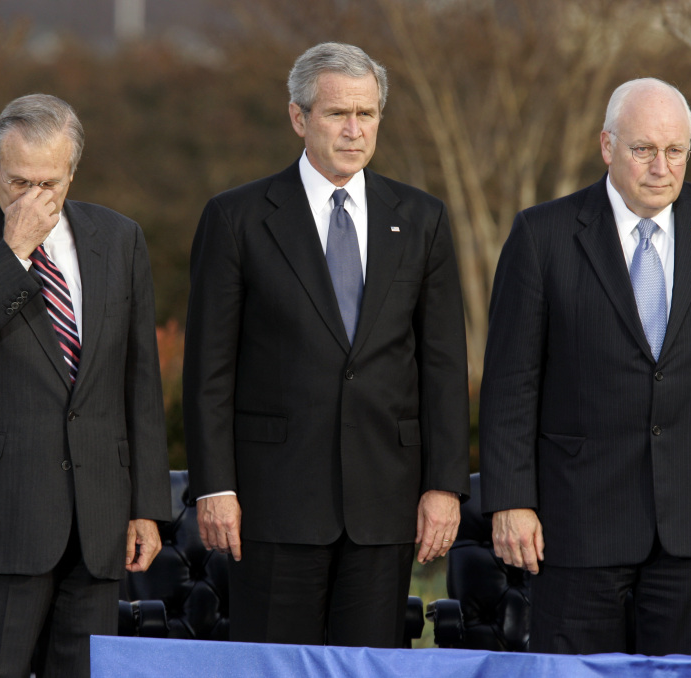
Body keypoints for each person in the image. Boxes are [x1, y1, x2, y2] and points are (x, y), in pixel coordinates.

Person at [479, 78, 691, 655]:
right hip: (575, 520)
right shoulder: (542, 234)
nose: (660, 167)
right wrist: (511, 500)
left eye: (675, 151)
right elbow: (509, 383)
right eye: (643, 149)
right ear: (607, 146)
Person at [183, 42, 470, 647]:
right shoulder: (236, 219)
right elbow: (209, 369)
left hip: (384, 503)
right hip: (271, 504)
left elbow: (443, 365)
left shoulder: (421, 218)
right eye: (338, 114)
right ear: (298, 117)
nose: (354, 129)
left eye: (367, 115)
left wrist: (444, 486)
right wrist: (215, 487)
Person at [0, 94, 171, 677]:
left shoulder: (119, 237)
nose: (33, 197)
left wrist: (146, 506)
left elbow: (139, 379)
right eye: (18, 180)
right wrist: (14, 250)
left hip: (95, 527)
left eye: (49, 183)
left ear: (73, 172)